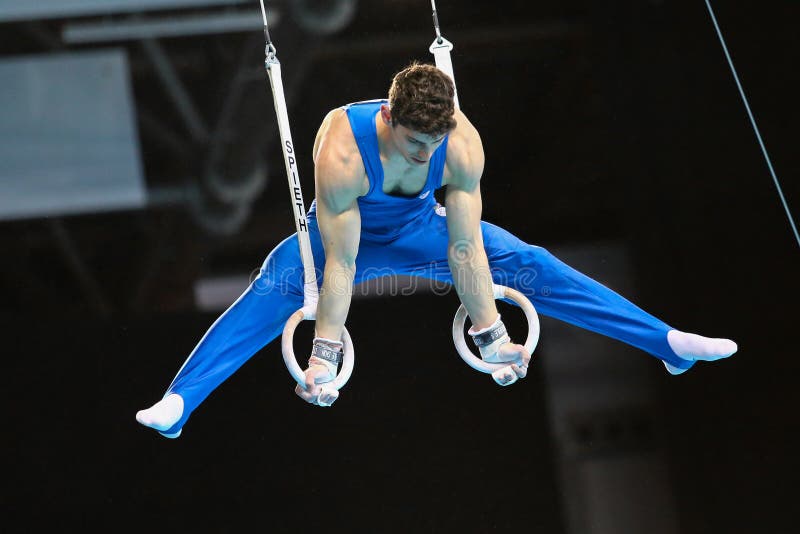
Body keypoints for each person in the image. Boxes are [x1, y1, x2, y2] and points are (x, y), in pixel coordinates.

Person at [136, 62, 737, 438]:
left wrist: (492, 333)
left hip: (423, 230)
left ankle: (666, 344)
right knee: (273, 288)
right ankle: (180, 401)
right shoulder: (342, 150)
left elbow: (466, 250)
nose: (426, 153)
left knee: (530, 264)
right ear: (390, 118)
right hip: (344, 240)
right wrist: (322, 353)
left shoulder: (460, 143)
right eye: (415, 140)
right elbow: (341, 263)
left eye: (436, 139)